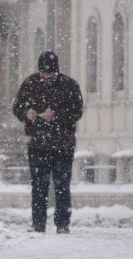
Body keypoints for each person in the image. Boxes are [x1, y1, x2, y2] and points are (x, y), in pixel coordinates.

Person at [12, 51, 84, 234]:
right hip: (37, 144)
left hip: (63, 145)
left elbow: (77, 111)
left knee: (62, 186)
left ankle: (62, 223)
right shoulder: (30, 84)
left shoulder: (69, 85)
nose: (46, 76)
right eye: (43, 73)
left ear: (56, 71)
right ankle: (38, 223)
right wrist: (26, 113)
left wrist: (57, 116)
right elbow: (17, 107)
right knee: (38, 187)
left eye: (50, 73)